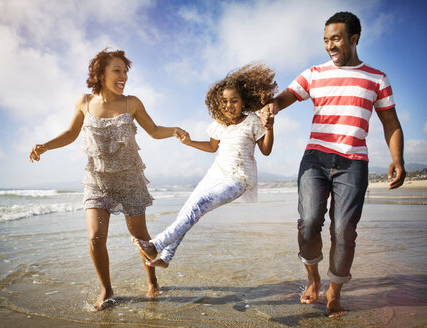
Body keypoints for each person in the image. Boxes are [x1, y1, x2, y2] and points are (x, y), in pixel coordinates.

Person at [260, 12, 406, 317]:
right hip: (315, 159)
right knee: (309, 222)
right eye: (326, 40)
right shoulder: (314, 73)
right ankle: (313, 280)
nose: (330, 45)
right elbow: (286, 96)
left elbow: (390, 122)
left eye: (336, 39)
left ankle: (334, 292)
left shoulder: (377, 78)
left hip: (353, 164)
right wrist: (271, 105)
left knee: (344, 231)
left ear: (354, 39)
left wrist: (397, 159)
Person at [29, 49, 184, 310]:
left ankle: (152, 282)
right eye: (117, 71)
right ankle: (107, 289)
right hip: (97, 181)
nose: (123, 76)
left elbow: (154, 130)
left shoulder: (131, 103)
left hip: (129, 180)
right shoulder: (85, 102)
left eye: (125, 71)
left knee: (140, 237)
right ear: (100, 74)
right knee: (95, 238)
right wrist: (45, 145)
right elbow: (70, 133)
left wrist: (175, 130)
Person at [133, 64, 276, 268]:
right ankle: (165, 257)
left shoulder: (253, 121)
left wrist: (269, 128)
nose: (229, 105)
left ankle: (156, 245)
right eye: (224, 101)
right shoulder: (219, 124)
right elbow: (211, 147)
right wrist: (189, 142)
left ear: (243, 100)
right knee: (188, 209)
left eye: (234, 101)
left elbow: (266, 150)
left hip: (239, 179)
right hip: (215, 174)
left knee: (200, 203)